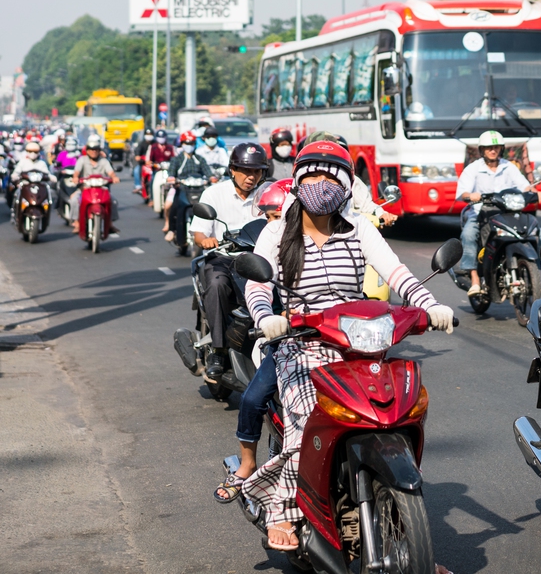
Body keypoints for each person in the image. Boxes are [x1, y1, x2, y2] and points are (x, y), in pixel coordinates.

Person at [239, 141, 455, 552]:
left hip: (358, 343)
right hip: (299, 342)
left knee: (397, 413)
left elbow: (396, 273)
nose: (321, 183)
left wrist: (430, 305)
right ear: (299, 179)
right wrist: (267, 316)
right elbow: (257, 283)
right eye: (313, 174)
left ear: (345, 182)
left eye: (330, 174)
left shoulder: (358, 227)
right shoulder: (277, 229)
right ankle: (283, 508)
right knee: (307, 419)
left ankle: (408, 539)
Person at [212, 178, 291, 506]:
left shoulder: (343, 232)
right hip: (295, 338)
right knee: (254, 397)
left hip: (339, 338)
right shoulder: (274, 238)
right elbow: (259, 290)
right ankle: (247, 464)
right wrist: (267, 317)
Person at [190, 143, 269, 377]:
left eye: (256, 171)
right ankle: (218, 348)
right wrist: (206, 240)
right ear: (232, 169)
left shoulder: (267, 194)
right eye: (245, 170)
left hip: (260, 257)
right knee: (216, 285)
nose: (251, 176)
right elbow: (198, 233)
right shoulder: (214, 193)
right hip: (224, 258)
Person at [455, 130, 541, 296]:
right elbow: (463, 193)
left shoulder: (508, 167)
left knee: (538, 231)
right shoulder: (473, 169)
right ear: (482, 150)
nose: (492, 150)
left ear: (501, 149)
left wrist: (534, 192)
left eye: (496, 147)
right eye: (488, 148)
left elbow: (524, 186)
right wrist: (470, 195)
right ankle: (474, 277)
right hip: (480, 213)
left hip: (507, 213)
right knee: (468, 234)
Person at [165, 131, 215, 244]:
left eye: (191, 143)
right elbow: (171, 172)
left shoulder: (199, 159)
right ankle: (172, 230)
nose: (189, 146)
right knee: (175, 206)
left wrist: (212, 178)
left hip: (199, 188)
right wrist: (172, 178)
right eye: (186, 143)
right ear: (182, 144)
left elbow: (207, 171)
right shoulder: (177, 159)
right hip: (182, 188)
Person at [70, 136, 120, 234]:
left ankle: (110, 224)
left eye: (96, 149)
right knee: (74, 200)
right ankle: (77, 223)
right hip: (85, 189)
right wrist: (75, 177)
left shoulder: (104, 161)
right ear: (87, 150)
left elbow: (110, 172)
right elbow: (76, 172)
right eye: (91, 149)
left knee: (113, 201)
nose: (94, 151)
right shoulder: (82, 160)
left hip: (101, 189)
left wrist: (114, 177)